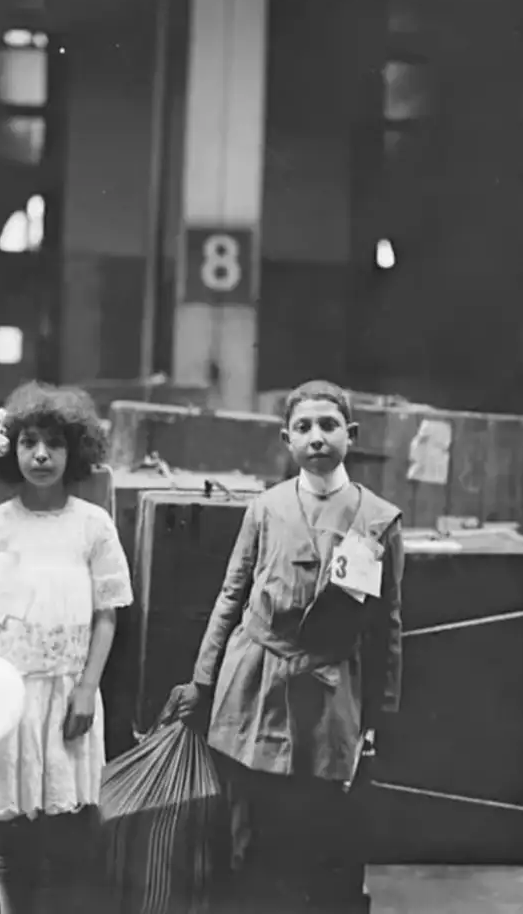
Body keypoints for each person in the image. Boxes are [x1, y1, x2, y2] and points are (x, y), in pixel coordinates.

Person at [168, 379, 405, 912]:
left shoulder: (378, 520)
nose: (317, 437)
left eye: (328, 425)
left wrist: (378, 712)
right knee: (249, 821)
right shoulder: (266, 509)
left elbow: (386, 621)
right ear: (286, 439)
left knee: (319, 827)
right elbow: (232, 596)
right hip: (256, 680)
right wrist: (204, 680)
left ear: (352, 434)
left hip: (329, 687)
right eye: (303, 427)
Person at [0, 382, 133, 914]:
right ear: (12, 450)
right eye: (29, 442)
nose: (41, 455)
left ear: (75, 451)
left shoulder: (92, 526)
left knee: (68, 824)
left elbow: (107, 613)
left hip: (70, 694)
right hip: (11, 699)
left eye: (54, 443)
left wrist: (86, 690)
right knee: (12, 828)